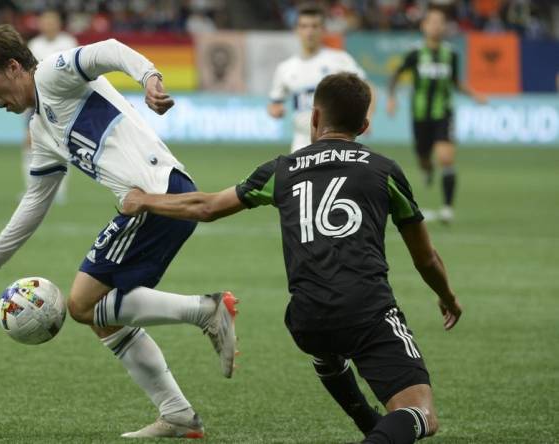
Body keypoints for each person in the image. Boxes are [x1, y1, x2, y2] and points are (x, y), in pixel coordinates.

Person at [122, 72, 463, 444]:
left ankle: (369, 424)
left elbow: (206, 207)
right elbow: (425, 258)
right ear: (364, 125)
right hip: (366, 309)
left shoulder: (281, 170)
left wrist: (144, 200)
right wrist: (447, 297)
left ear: (314, 118)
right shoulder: (384, 171)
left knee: (326, 348)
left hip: (307, 317)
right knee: (420, 415)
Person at [0, 25, 238, 439]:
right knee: (100, 315)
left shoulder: (53, 74)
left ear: (14, 67)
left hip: (154, 197)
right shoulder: (41, 129)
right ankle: (177, 413)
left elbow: (106, 50)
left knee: (83, 304)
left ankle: (206, 311)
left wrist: (150, 78)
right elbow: (37, 199)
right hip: (146, 203)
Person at [387, 6, 486, 224]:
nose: (436, 26)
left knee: (446, 158)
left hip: (443, 113)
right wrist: (392, 98)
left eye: (440, 22)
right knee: (424, 159)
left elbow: (455, 82)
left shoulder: (450, 54)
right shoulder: (415, 53)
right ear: (424, 26)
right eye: (431, 22)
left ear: (444, 27)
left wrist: (474, 94)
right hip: (420, 115)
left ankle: (447, 207)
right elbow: (397, 74)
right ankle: (427, 170)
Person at [268, 3, 369, 152]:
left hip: (336, 142)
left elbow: (366, 88)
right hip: (301, 143)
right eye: (304, 26)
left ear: (323, 30)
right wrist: (275, 110)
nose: (309, 31)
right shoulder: (285, 68)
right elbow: (275, 103)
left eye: (314, 26)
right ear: (297, 30)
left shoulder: (339, 60)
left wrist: (367, 116)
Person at [22, 10, 78, 204]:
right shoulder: (34, 45)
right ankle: (32, 190)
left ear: (59, 23)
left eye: (52, 21)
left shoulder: (68, 43)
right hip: (37, 100)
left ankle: (59, 191)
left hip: (63, 101)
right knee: (30, 142)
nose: (48, 25)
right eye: (45, 22)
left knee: (62, 145)